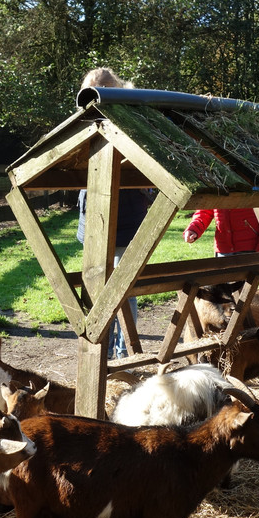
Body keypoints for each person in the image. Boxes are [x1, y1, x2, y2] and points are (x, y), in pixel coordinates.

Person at [76, 66, 148, 360]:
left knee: (122, 291)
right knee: (94, 287)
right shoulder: (81, 122)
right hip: (93, 225)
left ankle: (124, 354)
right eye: (86, 96)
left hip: (125, 224)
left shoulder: (134, 124)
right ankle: (97, 350)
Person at [183, 207, 259, 256]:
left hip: (250, 250)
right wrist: (193, 229)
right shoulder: (216, 179)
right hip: (223, 249)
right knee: (223, 289)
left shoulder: (256, 180)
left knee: (245, 290)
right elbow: (205, 211)